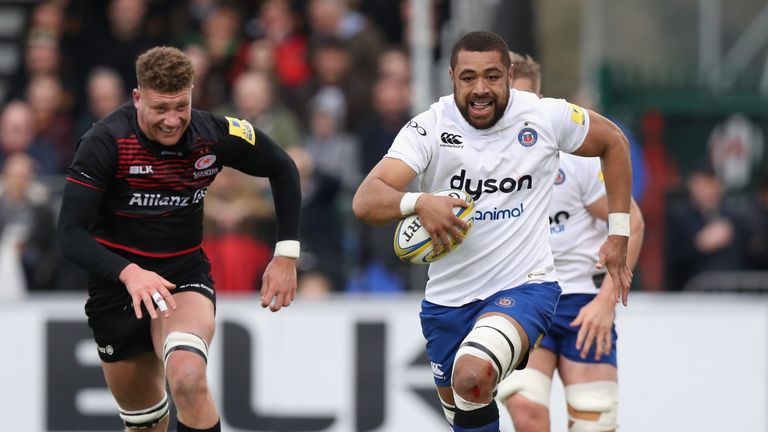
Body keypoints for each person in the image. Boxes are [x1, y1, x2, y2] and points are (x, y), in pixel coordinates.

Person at [352, 31, 634, 432]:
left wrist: (618, 233)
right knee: (465, 413)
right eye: (468, 78)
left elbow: (614, 142)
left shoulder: (545, 115)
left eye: (491, 76)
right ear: (451, 76)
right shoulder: (430, 127)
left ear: (509, 74)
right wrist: (419, 202)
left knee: (473, 376)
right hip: (446, 303)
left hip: (525, 288)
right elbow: (366, 199)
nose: (480, 89)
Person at [57, 46, 302, 432]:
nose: (173, 121)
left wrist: (286, 254)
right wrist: (129, 273)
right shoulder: (104, 143)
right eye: (160, 109)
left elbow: (283, 167)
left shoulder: (214, 134)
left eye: (181, 106)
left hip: (181, 275)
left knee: (188, 380)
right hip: (116, 286)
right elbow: (69, 234)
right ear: (137, 98)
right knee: (145, 424)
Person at [496, 52, 645, 432]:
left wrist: (605, 303)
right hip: (522, 299)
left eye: (526, 102)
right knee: (527, 416)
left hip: (581, 301)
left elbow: (635, 223)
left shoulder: (575, 161)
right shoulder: (480, 167)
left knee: (595, 423)